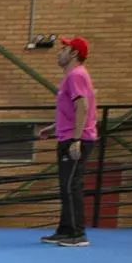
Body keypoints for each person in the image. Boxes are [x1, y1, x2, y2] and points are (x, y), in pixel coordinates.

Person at [37, 36, 97, 248]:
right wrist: (53, 128)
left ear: (74, 53)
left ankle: (77, 234)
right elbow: (72, 111)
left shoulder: (76, 75)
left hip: (75, 138)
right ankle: (64, 230)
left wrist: (76, 139)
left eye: (64, 49)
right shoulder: (72, 77)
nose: (59, 52)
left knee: (71, 184)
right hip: (68, 136)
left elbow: (82, 108)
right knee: (66, 185)